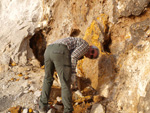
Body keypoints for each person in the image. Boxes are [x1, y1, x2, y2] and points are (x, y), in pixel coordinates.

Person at [39, 37, 99, 113]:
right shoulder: (86, 46)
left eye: (91, 56)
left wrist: (75, 85)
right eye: (92, 51)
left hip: (48, 50)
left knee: (48, 79)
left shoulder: (78, 43)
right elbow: (73, 56)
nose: (90, 54)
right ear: (91, 47)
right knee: (65, 83)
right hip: (60, 50)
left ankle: (42, 106)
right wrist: (73, 74)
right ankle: (68, 110)